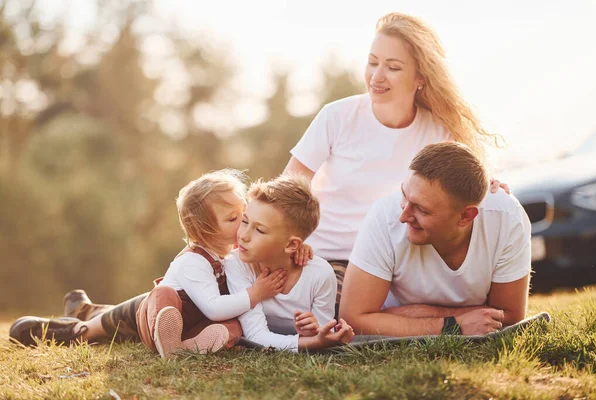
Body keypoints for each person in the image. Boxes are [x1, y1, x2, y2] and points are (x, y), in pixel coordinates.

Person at [283, 12, 506, 309]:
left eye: (393, 67)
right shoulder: (337, 116)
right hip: (332, 258)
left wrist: (489, 184)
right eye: (373, 62)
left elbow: (465, 187)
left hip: (402, 261)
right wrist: (291, 240)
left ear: (420, 79)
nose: (376, 76)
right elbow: (286, 191)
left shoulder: (438, 131)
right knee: (339, 311)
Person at [9, 169, 297, 359]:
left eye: (245, 215)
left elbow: (274, 244)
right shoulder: (193, 263)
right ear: (205, 232)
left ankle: (85, 311)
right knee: (159, 299)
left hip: (194, 325)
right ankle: (78, 330)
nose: (245, 225)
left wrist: (299, 246)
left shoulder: (236, 252)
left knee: (229, 324)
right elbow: (212, 305)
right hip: (161, 313)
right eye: (234, 219)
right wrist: (256, 293)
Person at [339, 142, 531, 337]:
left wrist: (416, 314)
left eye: (422, 210)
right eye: (404, 195)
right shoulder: (384, 217)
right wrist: (451, 324)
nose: (403, 216)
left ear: (465, 216)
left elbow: (510, 315)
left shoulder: (506, 218)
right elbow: (353, 318)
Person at [225, 174, 354, 351]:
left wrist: (311, 333)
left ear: (292, 244)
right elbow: (255, 335)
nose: (244, 235)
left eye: (260, 230)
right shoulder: (237, 263)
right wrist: (312, 342)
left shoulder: (320, 274)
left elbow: (322, 336)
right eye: (245, 221)